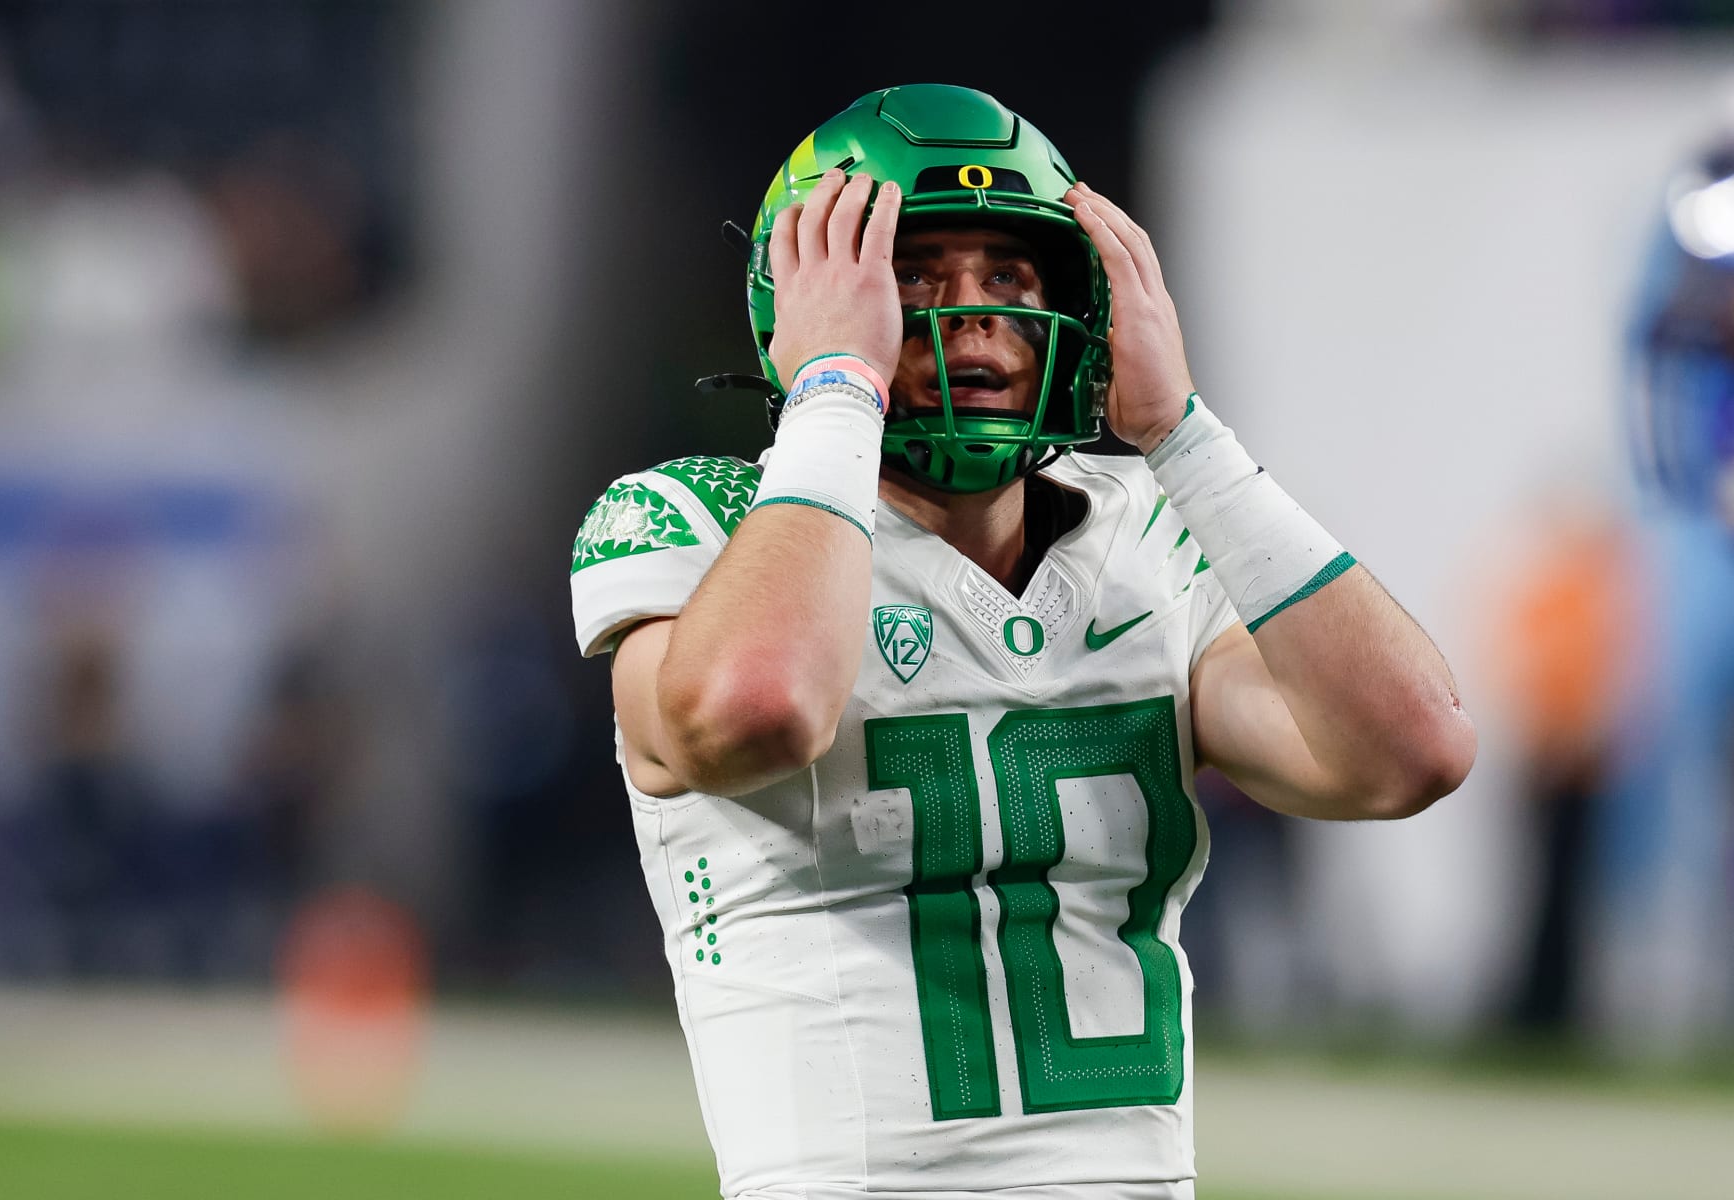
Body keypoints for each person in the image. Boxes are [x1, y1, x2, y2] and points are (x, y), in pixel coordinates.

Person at [569, 84, 1475, 1200]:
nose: (973, 313)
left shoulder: (1152, 529)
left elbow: (1412, 751)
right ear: (803, 296)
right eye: (913, 273)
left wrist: (1187, 437)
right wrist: (838, 387)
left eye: (1010, 275)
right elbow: (759, 705)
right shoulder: (699, 522)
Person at [1595, 122, 1734, 1055]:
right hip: (1702, 529)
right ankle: (1657, 997)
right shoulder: (1700, 211)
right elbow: (1655, 346)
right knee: (1671, 751)